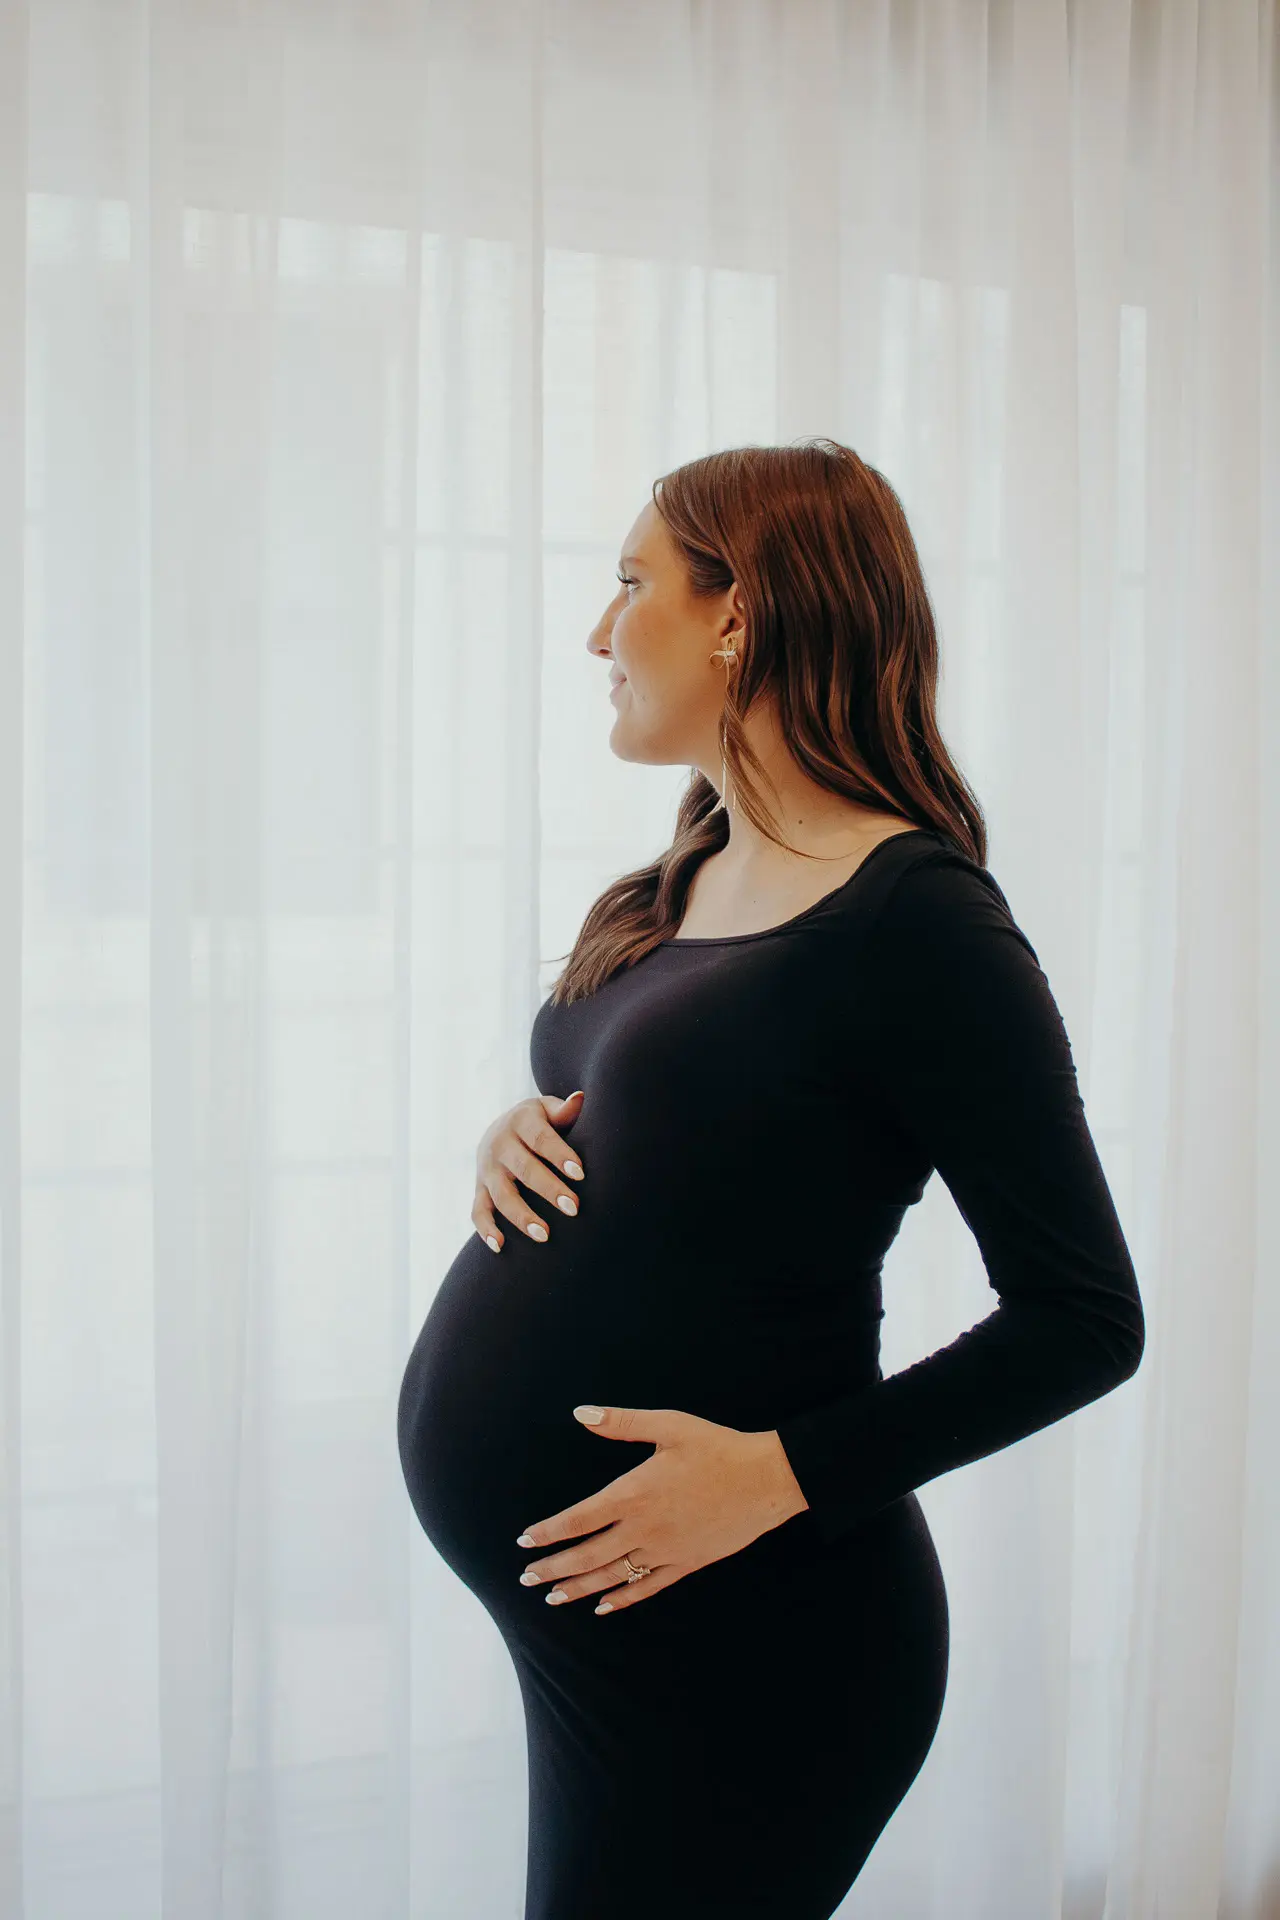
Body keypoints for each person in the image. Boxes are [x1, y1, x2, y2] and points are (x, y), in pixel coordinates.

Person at [397, 440, 1145, 1919]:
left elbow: (1084, 1316)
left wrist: (782, 1475)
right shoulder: (676, 882)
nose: (597, 634)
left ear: (740, 614)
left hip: (760, 1639)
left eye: (630, 584)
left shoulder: (920, 923)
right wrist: (525, 1129)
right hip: (613, 1623)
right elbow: (698, 1126)